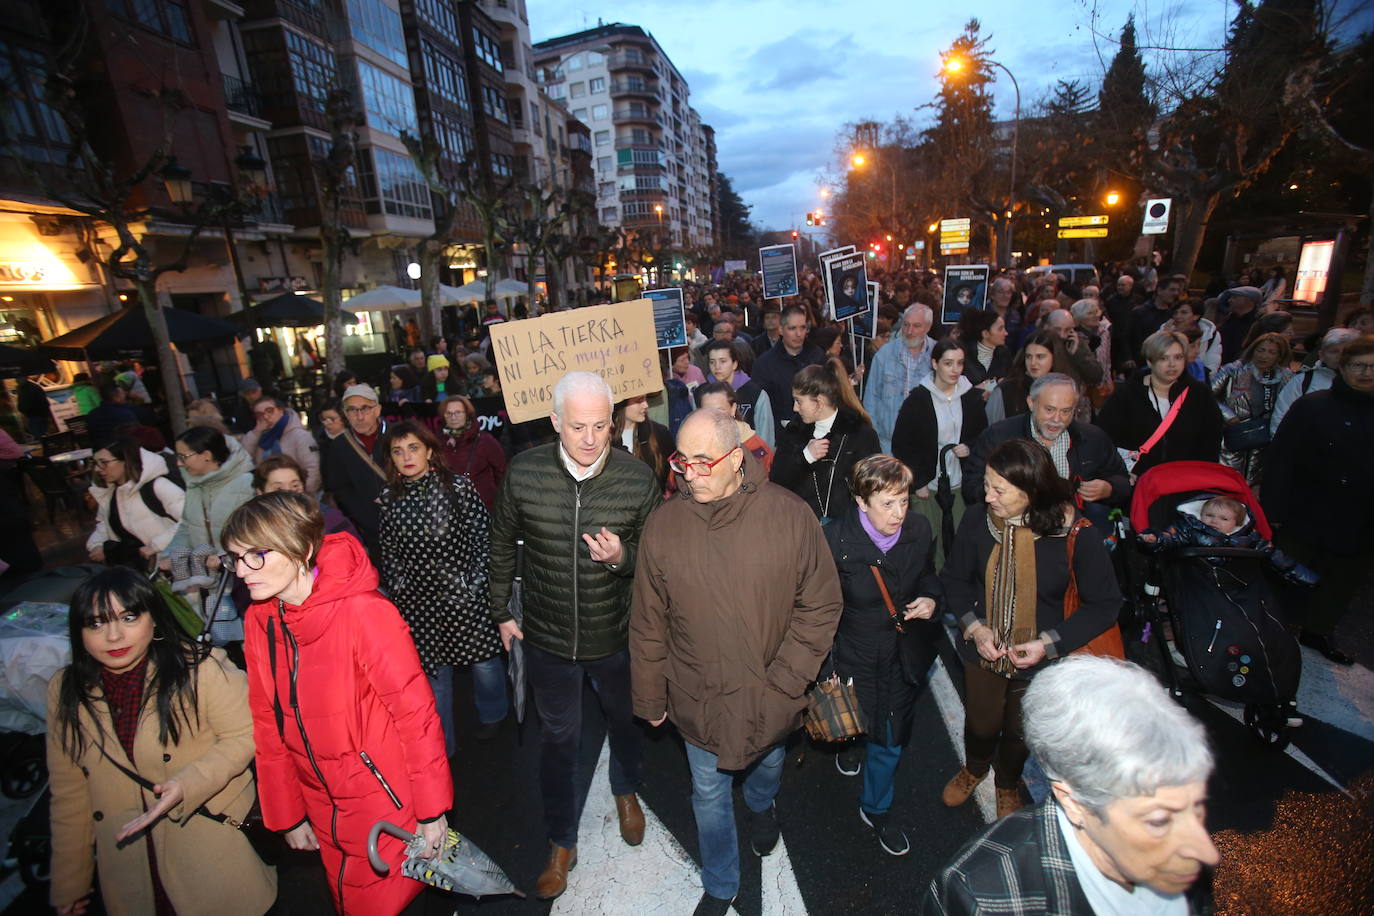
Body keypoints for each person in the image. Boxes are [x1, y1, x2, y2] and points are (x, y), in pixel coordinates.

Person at [630, 408, 842, 916]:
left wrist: (787, 684)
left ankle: (762, 803)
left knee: (767, 764)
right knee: (707, 791)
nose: (689, 472)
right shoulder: (664, 527)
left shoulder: (790, 516)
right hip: (697, 696)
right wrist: (649, 695)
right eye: (683, 460)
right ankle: (722, 881)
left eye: (704, 461)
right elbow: (648, 620)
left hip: (772, 695)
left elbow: (820, 605)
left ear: (736, 457)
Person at [225, 493, 451, 915]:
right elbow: (268, 723)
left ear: (302, 548)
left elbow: (415, 716)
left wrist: (432, 811)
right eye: (235, 558)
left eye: (256, 555)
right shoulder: (261, 620)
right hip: (321, 805)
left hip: (384, 804)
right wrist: (287, 813)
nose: (241, 571)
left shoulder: (364, 613)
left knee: (391, 902)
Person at [487, 371, 662, 900]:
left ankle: (627, 790)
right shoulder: (523, 472)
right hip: (548, 638)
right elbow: (500, 544)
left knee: (626, 724)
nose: (589, 439)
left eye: (600, 427)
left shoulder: (637, 480)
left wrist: (621, 558)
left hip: (616, 636)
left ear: (613, 423)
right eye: (577, 427)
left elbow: (657, 562)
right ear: (556, 422)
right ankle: (562, 841)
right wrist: (499, 610)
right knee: (557, 741)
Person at [46, 567, 277, 916]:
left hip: (208, 855)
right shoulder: (67, 690)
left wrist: (189, 783)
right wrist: (71, 881)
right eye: (96, 623)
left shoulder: (198, 669)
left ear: (154, 619)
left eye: (128, 617)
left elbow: (247, 732)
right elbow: (69, 792)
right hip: (128, 870)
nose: (113, 636)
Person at [921, 656, 1219, 915]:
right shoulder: (981, 894)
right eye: (1159, 821)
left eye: (1196, 810)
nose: (1208, 853)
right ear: (1074, 803)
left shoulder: (1181, 860)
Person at [939, 439, 1121, 818]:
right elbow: (954, 580)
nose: (987, 497)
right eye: (987, 485)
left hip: (1043, 656)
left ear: (1032, 491)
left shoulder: (1076, 534)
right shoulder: (976, 519)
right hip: (984, 650)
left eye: (999, 490)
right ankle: (974, 768)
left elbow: (1105, 605)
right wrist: (975, 628)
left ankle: (1007, 783)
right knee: (983, 723)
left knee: (1021, 731)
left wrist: (1048, 644)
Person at [823, 455, 940, 857]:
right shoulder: (834, 540)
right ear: (860, 501)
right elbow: (817, 607)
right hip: (851, 654)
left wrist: (930, 598)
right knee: (851, 724)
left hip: (899, 656)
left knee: (889, 740)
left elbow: (928, 574)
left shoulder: (920, 530)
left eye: (903, 501)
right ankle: (849, 746)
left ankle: (876, 808)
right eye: (887, 504)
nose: (898, 513)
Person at [379, 421, 506, 754]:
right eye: (397, 451)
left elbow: (484, 538)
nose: (406, 457)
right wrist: (401, 592)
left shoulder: (458, 488)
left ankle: (494, 716)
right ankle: (442, 747)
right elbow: (389, 554)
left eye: (413, 448)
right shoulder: (389, 500)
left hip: (464, 595)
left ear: (429, 451)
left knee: (484, 663)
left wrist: (474, 584)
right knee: (436, 677)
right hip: (420, 604)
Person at [1263, 335, 1374, 666]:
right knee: (1288, 575)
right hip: (1306, 509)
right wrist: (1274, 510)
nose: (1366, 372)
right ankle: (1272, 632)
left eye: (1373, 366)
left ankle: (1319, 630)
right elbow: (1281, 459)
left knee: (1342, 579)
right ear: (1342, 366)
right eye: (1358, 365)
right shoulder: (1314, 405)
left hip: (1359, 514)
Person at [891, 338, 986, 563]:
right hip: (929, 486)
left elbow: (983, 436)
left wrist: (969, 447)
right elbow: (903, 445)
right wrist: (919, 480)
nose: (955, 370)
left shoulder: (970, 397)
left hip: (961, 484)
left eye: (960, 363)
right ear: (935, 364)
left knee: (961, 542)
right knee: (930, 545)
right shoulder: (917, 400)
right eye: (948, 363)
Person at [1096, 331, 1224, 479]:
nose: (1172, 364)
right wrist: (1123, 474)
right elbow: (1107, 438)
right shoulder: (1126, 395)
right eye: (1164, 358)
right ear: (1150, 362)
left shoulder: (1200, 394)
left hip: (1187, 481)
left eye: (1178, 357)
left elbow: (1211, 440)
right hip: (1140, 483)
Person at [771, 358, 881, 525]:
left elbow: (871, 489)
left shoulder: (860, 435)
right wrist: (804, 457)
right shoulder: (794, 432)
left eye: (799, 401)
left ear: (819, 402)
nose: (794, 408)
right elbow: (777, 481)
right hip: (799, 525)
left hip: (844, 532)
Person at [1138, 495, 1317, 587]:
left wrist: (1297, 572)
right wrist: (1155, 539)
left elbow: (1273, 554)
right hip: (1197, 581)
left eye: (1224, 519)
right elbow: (1172, 537)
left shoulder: (1247, 537)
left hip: (1235, 582)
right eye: (1209, 516)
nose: (1214, 521)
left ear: (1237, 523)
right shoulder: (1191, 530)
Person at [166, 427, 255, 591]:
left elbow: (254, 533)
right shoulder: (194, 485)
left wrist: (223, 558)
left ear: (206, 455)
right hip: (208, 579)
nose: (179, 463)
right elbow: (187, 526)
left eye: (184, 457)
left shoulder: (246, 483)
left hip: (243, 575)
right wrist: (168, 555)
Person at [86, 437, 185, 567]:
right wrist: (97, 545)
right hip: (144, 572)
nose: (98, 469)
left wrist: (155, 546)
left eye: (104, 462)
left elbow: (191, 521)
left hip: (179, 568)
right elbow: (105, 526)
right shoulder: (110, 495)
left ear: (126, 460)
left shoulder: (157, 486)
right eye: (95, 463)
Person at [1211, 332, 1293, 485]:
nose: (1264, 356)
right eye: (1261, 350)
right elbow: (1208, 394)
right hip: (1232, 436)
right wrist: (1229, 416)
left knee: (1252, 486)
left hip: (1263, 440)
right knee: (1226, 482)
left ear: (1279, 356)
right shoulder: (1233, 370)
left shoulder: (1285, 378)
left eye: (1271, 352)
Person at [325, 383, 390, 559]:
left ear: (377, 409)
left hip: (408, 520)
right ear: (345, 414)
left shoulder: (397, 434)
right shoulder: (340, 445)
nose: (359, 416)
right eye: (352, 410)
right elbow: (340, 488)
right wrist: (367, 517)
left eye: (365, 408)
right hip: (372, 530)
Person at [863, 304, 936, 452]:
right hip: (887, 443)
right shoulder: (884, 355)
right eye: (906, 325)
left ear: (928, 327)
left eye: (916, 326)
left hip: (923, 444)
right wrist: (874, 437)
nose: (909, 331)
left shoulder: (938, 354)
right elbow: (871, 399)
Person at [751, 305, 826, 441]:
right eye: (792, 328)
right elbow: (762, 409)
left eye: (802, 327)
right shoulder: (764, 364)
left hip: (818, 435)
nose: (799, 334)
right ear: (781, 329)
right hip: (781, 438)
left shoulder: (818, 356)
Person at [1270, 327, 1358, 434]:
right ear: (1322, 355)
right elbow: (1281, 418)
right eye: (1334, 351)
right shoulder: (1303, 381)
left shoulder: (1365, 384)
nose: (1339, 357)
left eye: (1345, 352)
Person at [252, 454, 358, 540]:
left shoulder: (328, 518)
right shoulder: (253, 525)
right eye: (279, 488)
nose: (288, 492)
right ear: (260, 492)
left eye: (295, 485)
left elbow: (355, 553)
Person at [984, 330, 1079, 426]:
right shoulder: (1006, 390)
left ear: (1054, 358)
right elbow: (994, 431)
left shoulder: (1067, 388)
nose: (1033, 363)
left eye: (1040, 357)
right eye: (1028, 357)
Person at [698, 339, 774, 448]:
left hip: (750, 456)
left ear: (734, 364)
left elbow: (765, 437)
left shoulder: (755, 394)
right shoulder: (702, 394)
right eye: (712, 362)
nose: (717, 366)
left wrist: (760, 461)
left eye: (723, 361)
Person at [436, 394, 507, 509]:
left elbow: (502, 473)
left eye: (458, 412)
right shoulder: (437, 442)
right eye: (449, 413)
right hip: (450, 508)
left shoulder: (485, 441)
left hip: (483, 507)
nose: (453, 417)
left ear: (467, 414)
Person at [240, 396, 321, 494]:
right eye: (259, 415)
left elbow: (313, 469)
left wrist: (304, 496)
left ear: (281, 410)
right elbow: (243, 459)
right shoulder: (260, 437)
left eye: (270, 411)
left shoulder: (299, 435)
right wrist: (256, 432)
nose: (265, 417)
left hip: (299, 494)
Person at [695, 381, 773, 473]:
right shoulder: (692, 443)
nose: (713, 416)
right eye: (707, 411)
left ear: (733, 409)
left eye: (720, 410)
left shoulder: (755, 447)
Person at [613, 394, 674, 494]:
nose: (646, 405)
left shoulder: (660, 433)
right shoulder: (605, 437)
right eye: (638, 401)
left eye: (645, 399)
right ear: (621, 403)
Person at [1126, 274, 1185, 367]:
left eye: (1178, 290)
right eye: (1172, 290)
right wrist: (1128, 358)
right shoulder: (1140, 312)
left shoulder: (1174, 315)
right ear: (1159, 290)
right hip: (1139, 363)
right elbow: (1128, 337)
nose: (1176, 293)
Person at [1162, 299, 1221, 378]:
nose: (1178, 316)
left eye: (1184, 313)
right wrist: (1165, 336)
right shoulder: (1164, 331)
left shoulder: (1210, 334)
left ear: (1196, 316)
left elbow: (1212, 364)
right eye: (1175, 313)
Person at [956, 308, 1010, 391]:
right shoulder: (963, 354)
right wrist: (976, 391)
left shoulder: (1004, 354)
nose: (1006, 333)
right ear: (985, 334)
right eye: (1000, 329)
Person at [86, 381, 144, 446]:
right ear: (116, 397)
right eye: (123, 393)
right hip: (126, 450)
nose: (125, 395)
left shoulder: (91, 415)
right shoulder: (126, 412)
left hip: (102, 451)